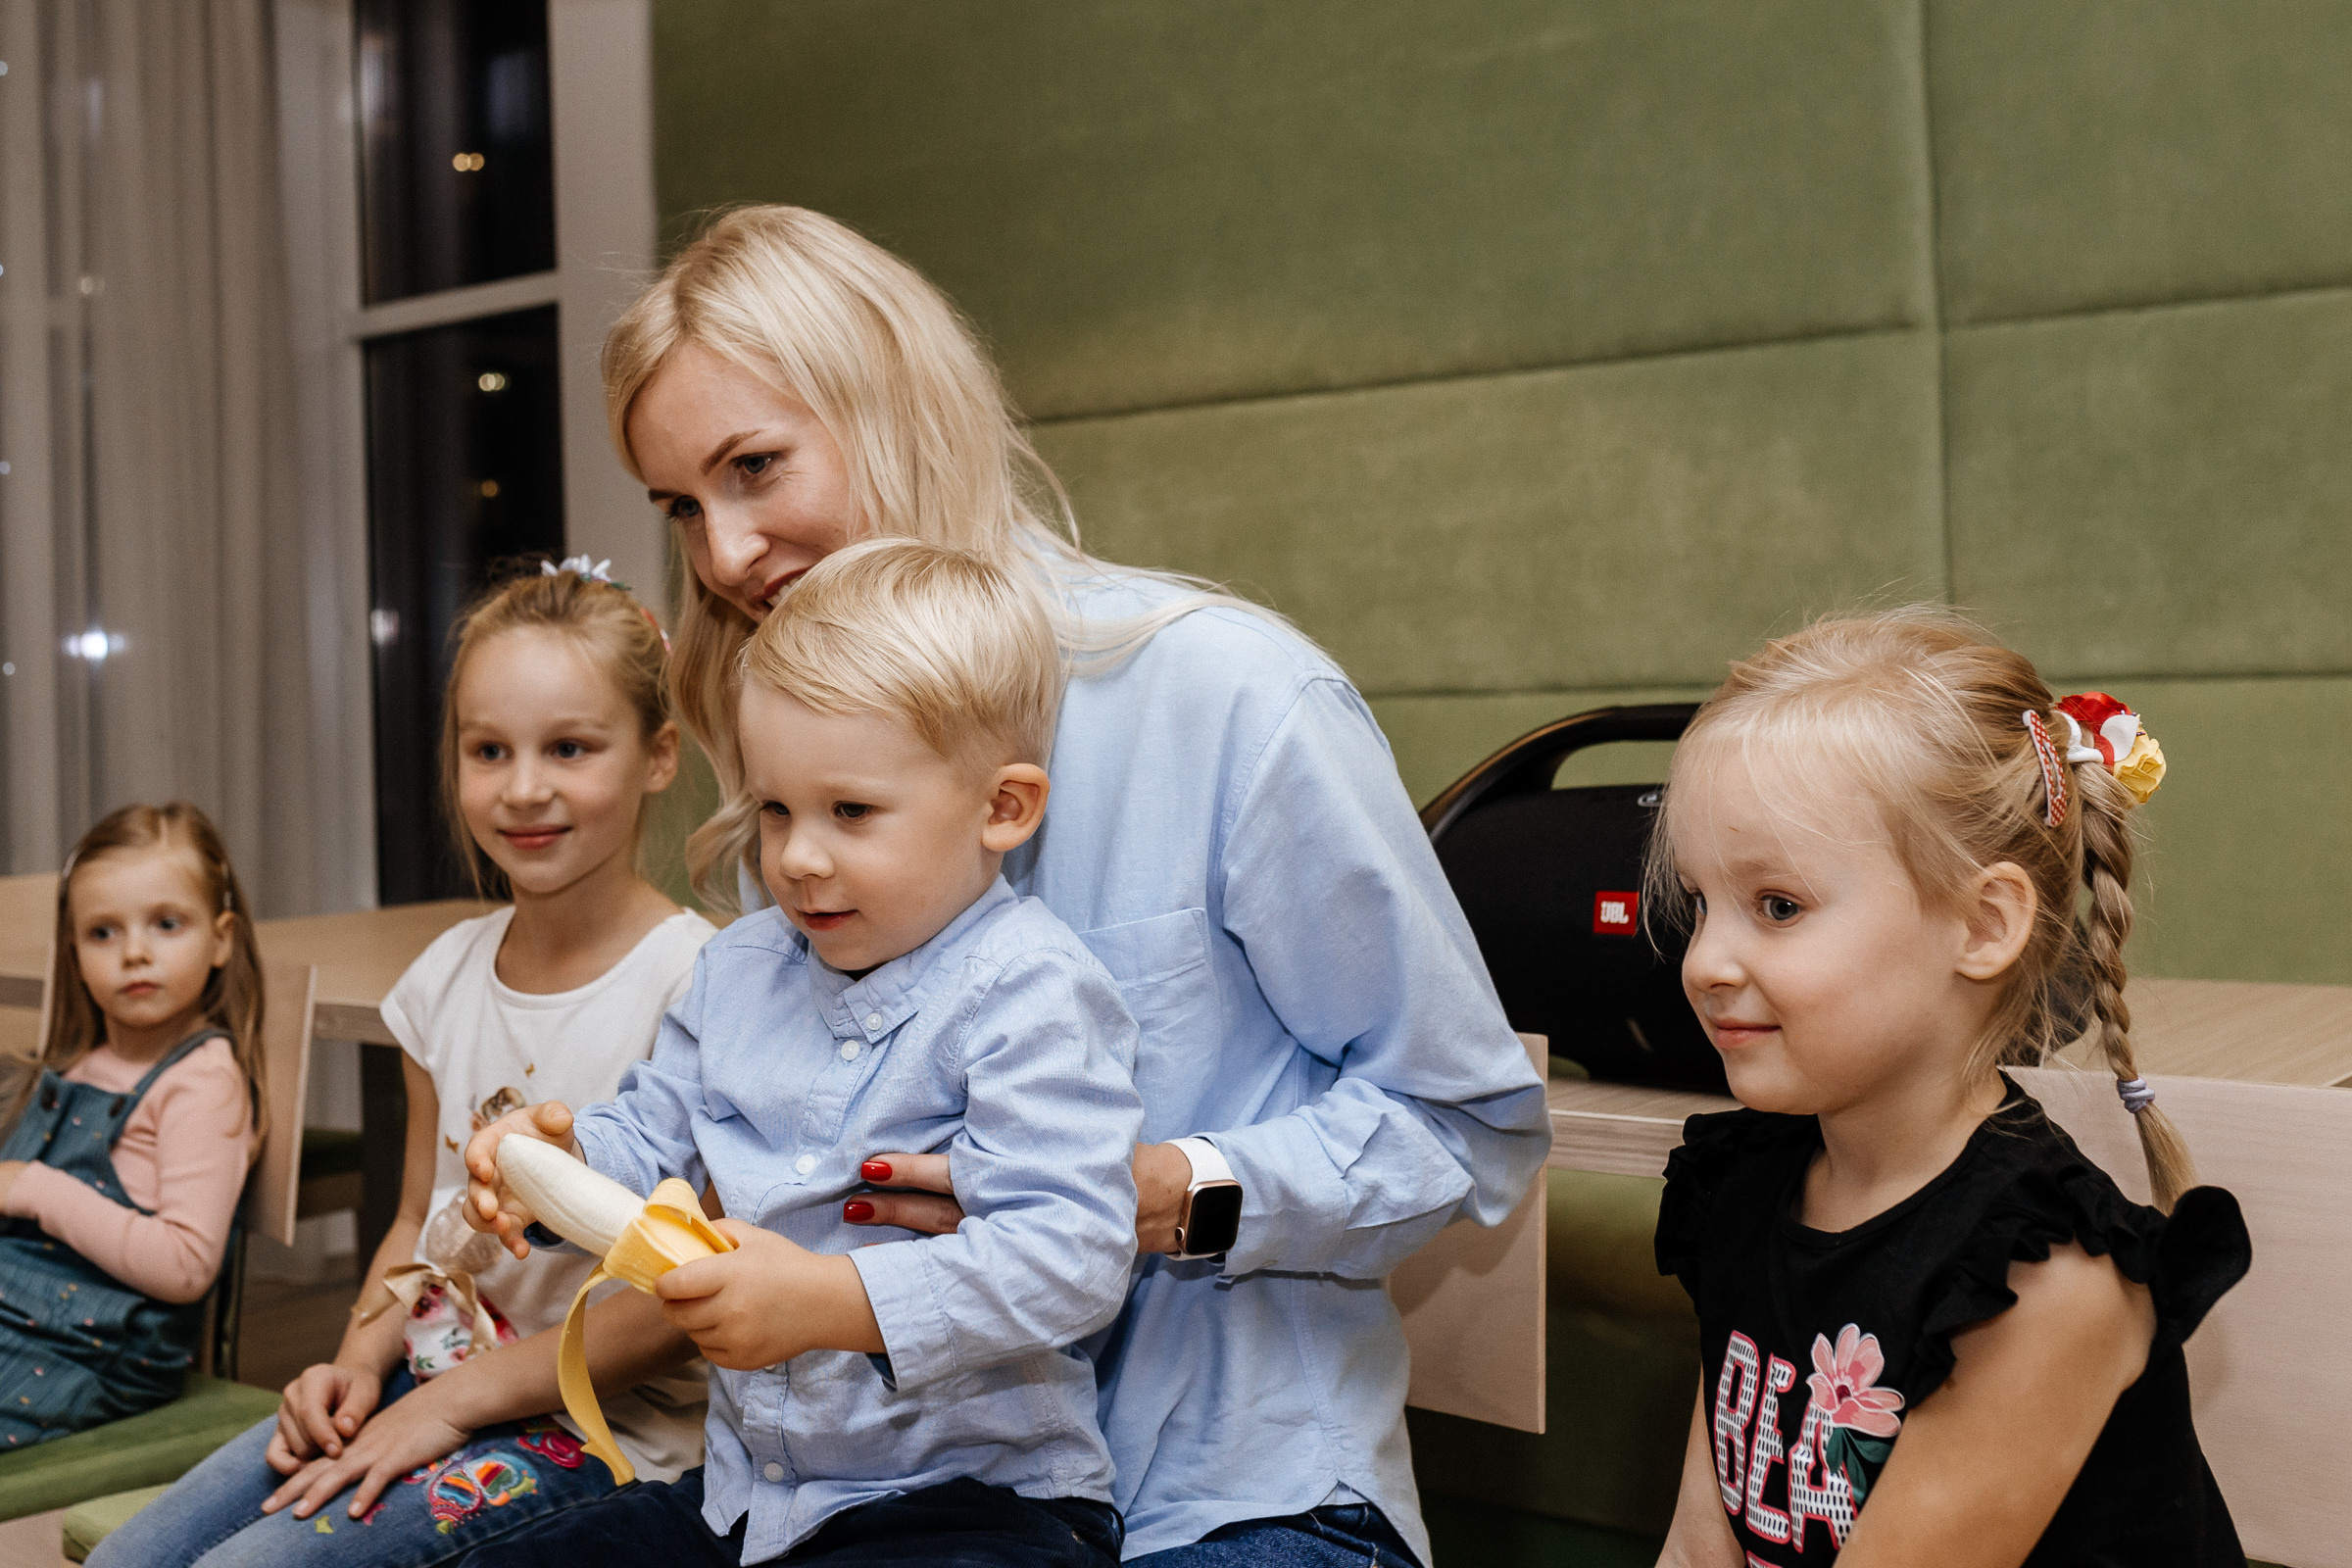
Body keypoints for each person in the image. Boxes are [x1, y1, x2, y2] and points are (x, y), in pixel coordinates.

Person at [571, 203, 1551, 1565]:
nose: (725, 556)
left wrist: (1151, 1193)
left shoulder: (1231, 696)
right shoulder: (795, 777)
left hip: (1230, 1489)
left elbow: (1469, 1127)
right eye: (682, 505)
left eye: (755, 468)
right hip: (869, 1494)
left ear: (897, 410)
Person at [462, 538, 1145, 1567]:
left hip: (970, 1506)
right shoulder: (740, 968)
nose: (797, 858)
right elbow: (656, 1136)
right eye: (775, 810)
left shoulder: (1034, 991)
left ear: (1002, 808)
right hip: (748, 1498)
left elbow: (1072, 1256)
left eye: (851, 812)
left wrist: (833, 1304)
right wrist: (555, 1167)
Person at [96, 562, 717, 1566]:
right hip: (430, 1376)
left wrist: (454, 1404)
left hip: (605, 1429)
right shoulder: (441, 979)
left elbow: (680, 1310)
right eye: (488, 750)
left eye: (569, 746)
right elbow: (411, 1221)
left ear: (657, 756)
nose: (523, 788)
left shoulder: (701, 983)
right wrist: (353, 1360)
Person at [1646, 609, 2249, 1567]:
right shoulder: (1743, 1182)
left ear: (1982, 924)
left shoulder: (2041, 1281)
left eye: (1778, 905)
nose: (1707, 959)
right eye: (1700, 900)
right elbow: (1696, 1543)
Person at [0, 803, 266, 1445]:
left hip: (90, 1355)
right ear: (74, 950)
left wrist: (36, 1188)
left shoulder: (201, 1081)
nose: (136, 953)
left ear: (221, 938)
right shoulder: (82, 1063)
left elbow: (185, 1264)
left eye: (167, 924)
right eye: (103, 933)